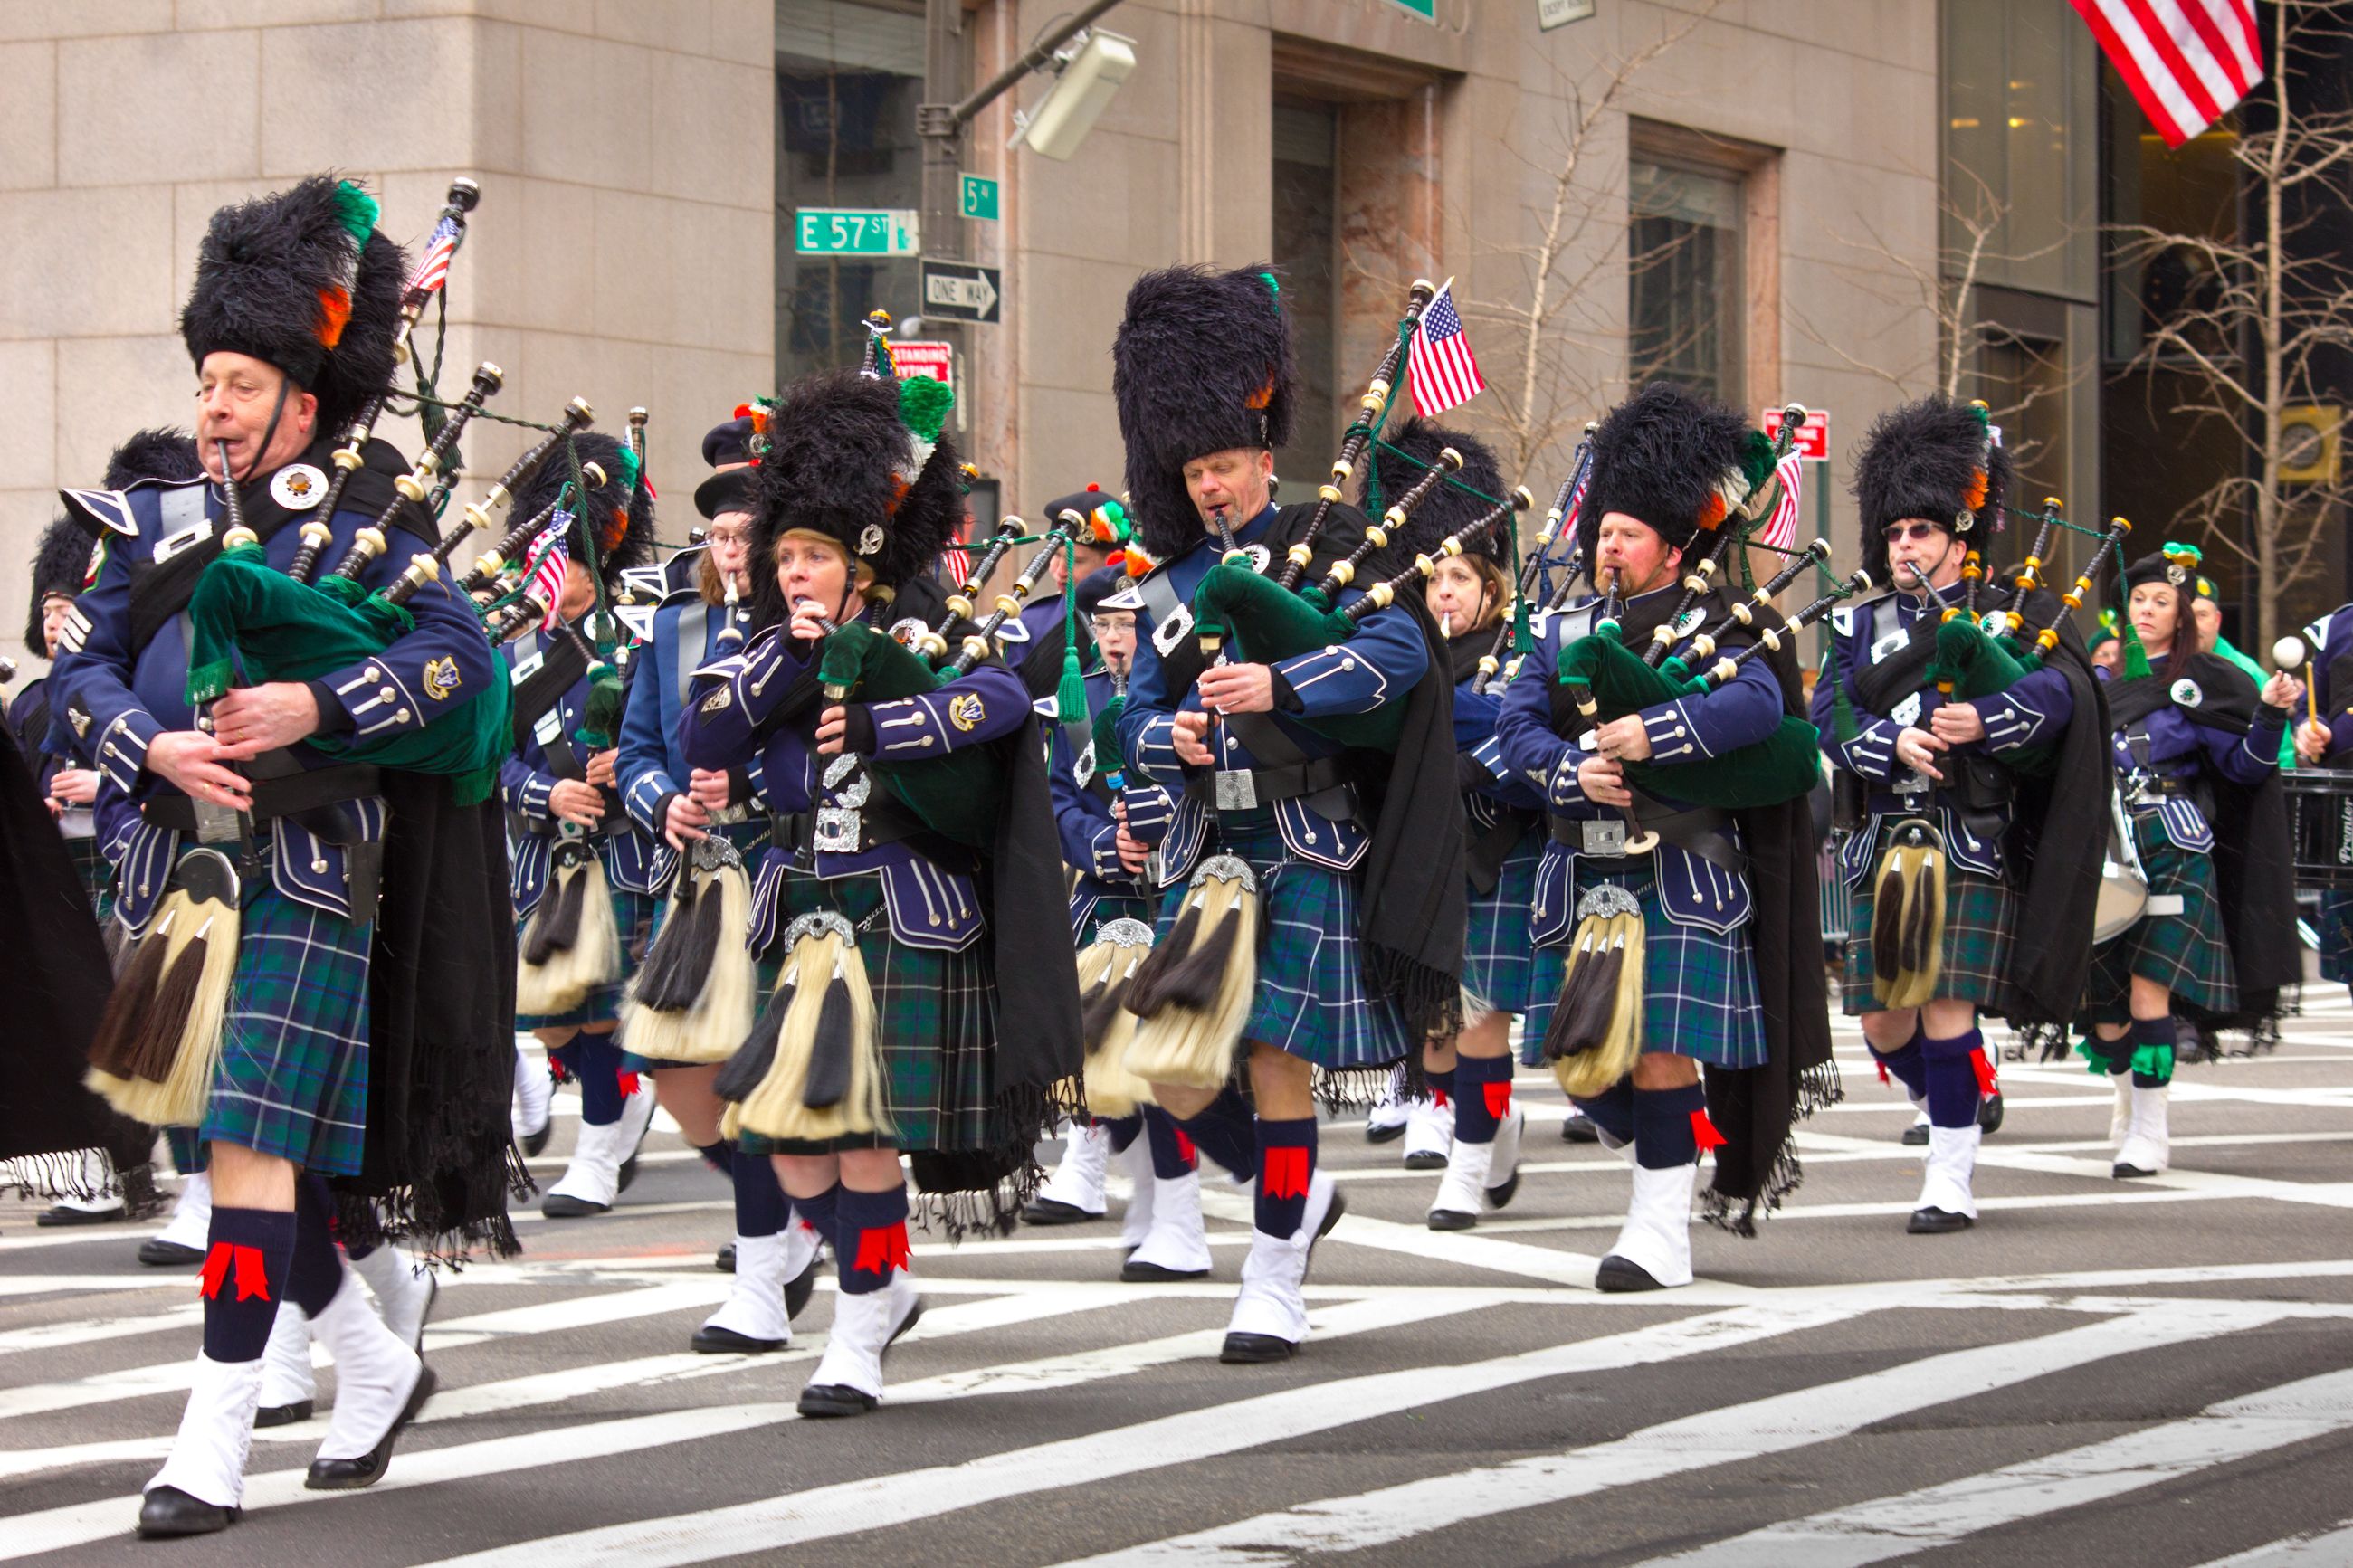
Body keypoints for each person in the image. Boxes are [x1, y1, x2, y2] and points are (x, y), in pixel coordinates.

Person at [50, 176, 514, 1536]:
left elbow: (459, 663)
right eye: (207, 380)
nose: (217, 406)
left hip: (313, 862)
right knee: (219, 1138)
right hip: (182, 873)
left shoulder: (361, 507)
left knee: (251, 1141)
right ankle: (371, 1357)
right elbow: (69, 674)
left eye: (243, 382)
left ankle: (214, 1436)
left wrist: (314, 703)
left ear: (303, 401)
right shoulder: (159, 515)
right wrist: (149, 743)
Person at [682, 364, 1077, 1416]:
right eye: (786, 557)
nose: (795, 572)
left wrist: (876, 706)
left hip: (901, 910)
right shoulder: (764, 647)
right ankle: (883, 1278)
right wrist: (797, 662)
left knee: (859, 1135)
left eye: (813, 555)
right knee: (783, 1141)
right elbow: (707, 735)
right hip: (798, 909)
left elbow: (998, 701)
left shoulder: (927, 628)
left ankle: (856, 1328)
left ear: (860, 555)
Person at [1110, 264, 1465, 1362]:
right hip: (1203, 841)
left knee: (1271, 1055)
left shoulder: (1334, 536)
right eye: (1194, 469)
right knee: (1168, 1066)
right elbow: (1129, 710)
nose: (1209, 485)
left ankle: (1272, 1274)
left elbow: (1403, 653)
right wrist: (1157, 738)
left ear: (1264, 454)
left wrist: (1283, 683)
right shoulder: (1168, 581)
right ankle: (1294, 1198)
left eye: (1224, 464)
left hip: (1301, 830)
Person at [1496, 381, 1832, 1290]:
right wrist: (1570, 769)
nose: (1606, 541)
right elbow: (1514, 729)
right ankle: (1643, 1139)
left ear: (1673, 545)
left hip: (1685, 867)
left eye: (1628, 531)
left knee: (1656, 1049)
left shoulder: (1727, 624)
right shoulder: (1557, 629)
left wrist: (1653, 735)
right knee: (1578, 1062)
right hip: (1579, 873)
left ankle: (1656, 1231)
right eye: (1602, 527)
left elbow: (1758, 705)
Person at [1811, 399, 2103, 1227]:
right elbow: (1827, 714)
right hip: (1882, 836)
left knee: (1946, 1005)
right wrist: (1888, 746)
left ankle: (1951, 1175)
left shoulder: (2015, 608)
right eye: (1895, 532)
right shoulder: (1858, 623)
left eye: (1921, 532)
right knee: (1880, 1021)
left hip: (1968, 836)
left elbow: (2064, 692)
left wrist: (1984, 717)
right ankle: (1966, 1090)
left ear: (1958, 537)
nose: (1904, 545)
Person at [614, 410, 824, 1345]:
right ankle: (794, 1220)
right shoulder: (674, 625)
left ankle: (761, 1268)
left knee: (752, 1074)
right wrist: (662, 798)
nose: (728, 545)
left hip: (781, 861)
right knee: (674, 1069)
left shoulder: (803, 625)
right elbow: (634, 746)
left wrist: (737, 776)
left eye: (744, 531)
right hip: (697, 870)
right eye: (717, 532)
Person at [1363, 420, 1533, 1231]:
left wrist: (1458, 744)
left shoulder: (1519, 651)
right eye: (1433, 580)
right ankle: (1487, 1140)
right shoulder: (1410, 651)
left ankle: (1465, 1173)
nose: (1444, 593)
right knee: (1444, 1020)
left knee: (1478, 1017)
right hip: (1425, 848)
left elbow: (1515, 737)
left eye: (1460, 578)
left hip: (1496, 850)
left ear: (1490, 586)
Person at [2082, 546, 2299, 1178]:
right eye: (2140, 599)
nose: (2146, 610)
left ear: (2183, 616)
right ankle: (2128, 1095)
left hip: (2174, 845)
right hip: (2108, 849)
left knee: (2152, 994)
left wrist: (2270, 714)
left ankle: (2152, 1128)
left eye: (2161, 602)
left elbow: (2247, 769)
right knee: (2106, 1013)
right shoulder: (2100, 679)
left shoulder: (2206, 682)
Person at [1024, 559, 1208, 1280]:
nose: (1112, 639)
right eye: (1101, 624)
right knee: (1097, 1047)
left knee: (1167, 1056)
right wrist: (1104, 844)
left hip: (1179, 884)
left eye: (1127, 624)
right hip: (1109, 890)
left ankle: (1180, 1211)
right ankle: (1126, 1185)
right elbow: (1057, 800)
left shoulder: (1184, 693)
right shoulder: (1075, 701)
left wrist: (1165, 831)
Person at [499, 433, 664, 1218]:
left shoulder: (640, 637)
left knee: (602, 1007)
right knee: (554, 1022)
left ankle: (598, 1150)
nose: (548, 574)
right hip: (544, 855)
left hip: (621, 853)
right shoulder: (509, 648)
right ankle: (619, 1102)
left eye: (562, 556)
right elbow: (489, 757)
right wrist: (543, 793)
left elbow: (673, 735)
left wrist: (623, 772)